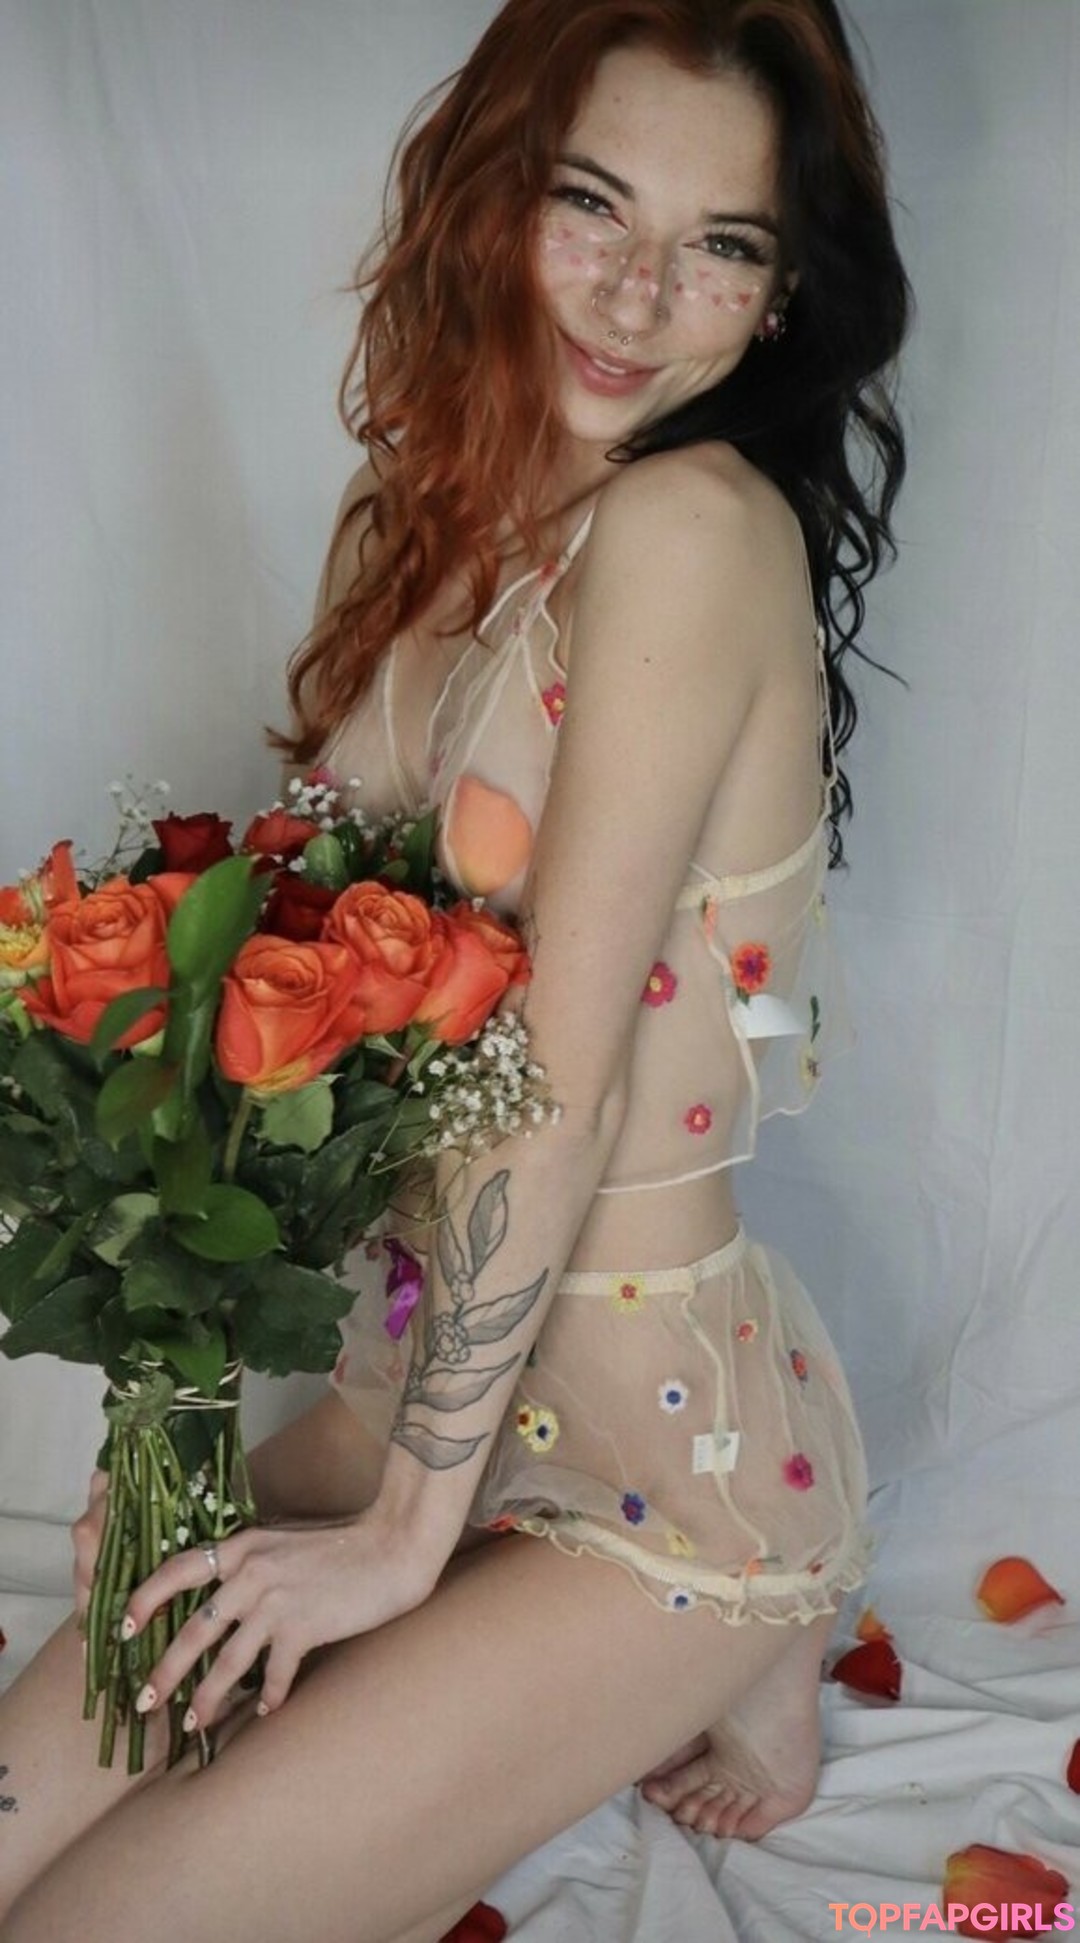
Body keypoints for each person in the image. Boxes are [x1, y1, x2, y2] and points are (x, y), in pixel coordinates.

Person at [0, 1, 909, 1936]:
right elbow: (285, 994)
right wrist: (169, 1417)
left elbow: (555, 1074)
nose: (640, 296)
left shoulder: (693, 529)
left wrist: (404, 1543)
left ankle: (753, 1605)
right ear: (499, 197)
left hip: (648, 1469)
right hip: (407, 1383)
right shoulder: (424, 515)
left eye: (720, 244)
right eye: (593, 205)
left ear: (781, 296)